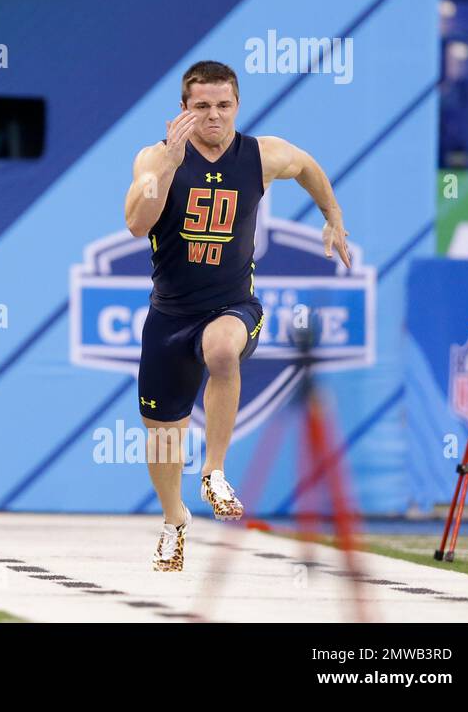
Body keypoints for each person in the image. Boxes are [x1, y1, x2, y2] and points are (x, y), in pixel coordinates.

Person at [122, 61, 351, 571]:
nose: (213, 116)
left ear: (237, 106)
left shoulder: (260, 154)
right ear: (183, 110)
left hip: (232, 305)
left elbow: (307, 166)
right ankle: (174, 519)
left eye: (223, 106)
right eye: (201, 106)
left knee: (223, 349)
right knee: (162, 433)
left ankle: (215, 471)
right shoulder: (157, 158)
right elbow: (137, 223)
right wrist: (166, 165)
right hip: (169, 314)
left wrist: (333, 216)